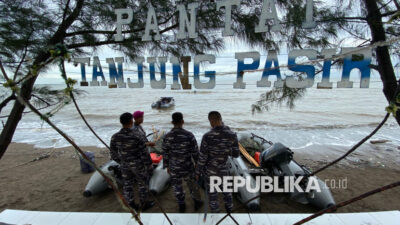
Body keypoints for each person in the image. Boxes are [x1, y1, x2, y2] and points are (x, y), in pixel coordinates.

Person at [195, 111, 240, 213]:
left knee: (212, 194)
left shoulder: (207, 136)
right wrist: (225, 150)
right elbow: (236, 154)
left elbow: (202, 157)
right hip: (224, 169)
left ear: (211, 121)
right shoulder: (232, 134)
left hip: (211, 171)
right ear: (221, 119)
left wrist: (197, 172)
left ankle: (216, 214)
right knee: (227, 192)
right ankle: (229, 211)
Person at [109, 112, 155, 211]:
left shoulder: (115, 136)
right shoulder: (137, 135)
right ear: (131, 121)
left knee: (127, 184)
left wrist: (120, 161)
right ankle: (143, 204)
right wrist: (149, 164)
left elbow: (113, 152)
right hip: (138, 165)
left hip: (125, 165)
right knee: (142, 184)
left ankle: (130, 204)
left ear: (121, 122)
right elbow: (144, 152)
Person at [162, 112, 203, 212]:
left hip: (174, 167)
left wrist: (167, 165)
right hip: (187, 166)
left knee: (177, 186)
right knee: (192, 185)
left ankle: (181, 205)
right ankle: (197, 202)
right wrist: (197, 165)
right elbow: (195, 153)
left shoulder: (167, 136)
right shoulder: (189, 135)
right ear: (183, 121)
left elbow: (165, 152)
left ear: (172, 122)